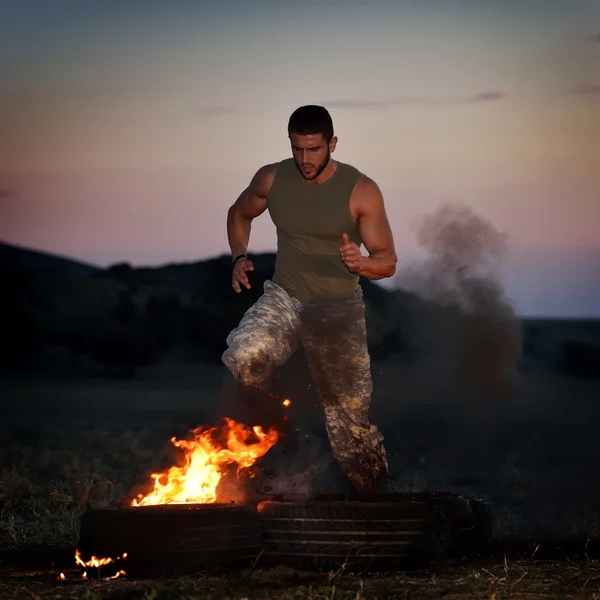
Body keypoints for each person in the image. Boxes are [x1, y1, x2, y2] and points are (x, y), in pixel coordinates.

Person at [222, 105, 397, 494]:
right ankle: (279, 424)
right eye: (298, 149)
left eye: (314, 149)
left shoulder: (360, 190)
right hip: (286, 298)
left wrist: (362, 263)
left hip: (337, 310)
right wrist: (239, 256)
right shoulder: (272, 178)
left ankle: (376, 504)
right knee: (245, 356)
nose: (305, 159)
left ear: (332, 144)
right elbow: (239, 213)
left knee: (352, 427)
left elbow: (388, 261)